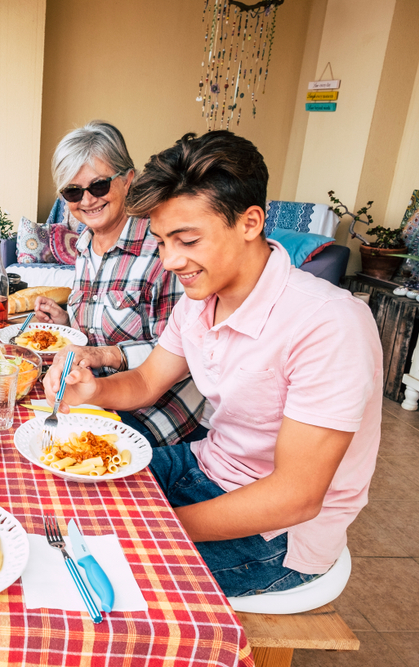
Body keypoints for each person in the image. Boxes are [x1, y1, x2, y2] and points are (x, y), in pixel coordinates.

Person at [43, 130, 382, 597]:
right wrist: (92, 390)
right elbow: (146, 380)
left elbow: (296, 497)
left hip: (278, 534)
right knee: (57, 503)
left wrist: (149, 527)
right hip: (202, 465)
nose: (170, 260)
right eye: (162, 242)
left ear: (249, 222)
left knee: (93, 566)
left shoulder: (329, 323)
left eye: (187, 240)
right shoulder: (201, 301)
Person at [33, 121, 205, 447]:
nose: (87, 200)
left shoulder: (162, 250)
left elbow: (185, 355)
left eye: (98, 186)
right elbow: (96, 331)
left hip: (156, 417)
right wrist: (65, 322)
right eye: (73, 191)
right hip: (99, 400)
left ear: (128, 181)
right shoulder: (84, 247)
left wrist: (104, 355)